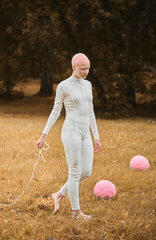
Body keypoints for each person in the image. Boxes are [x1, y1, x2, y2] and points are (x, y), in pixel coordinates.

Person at [36, 53, 101, 220]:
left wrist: (96, 135)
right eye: (82, 69)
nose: (86, 71)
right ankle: (76, 212)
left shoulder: (88, 85)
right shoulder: (64, 86)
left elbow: (91, 111)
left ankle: (59, 194)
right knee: (74, 172)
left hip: (85, 133)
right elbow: (56, 111)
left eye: (88, 68)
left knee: (86, 172)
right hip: (71, 131)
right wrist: (43, 135)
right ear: (73, 67)